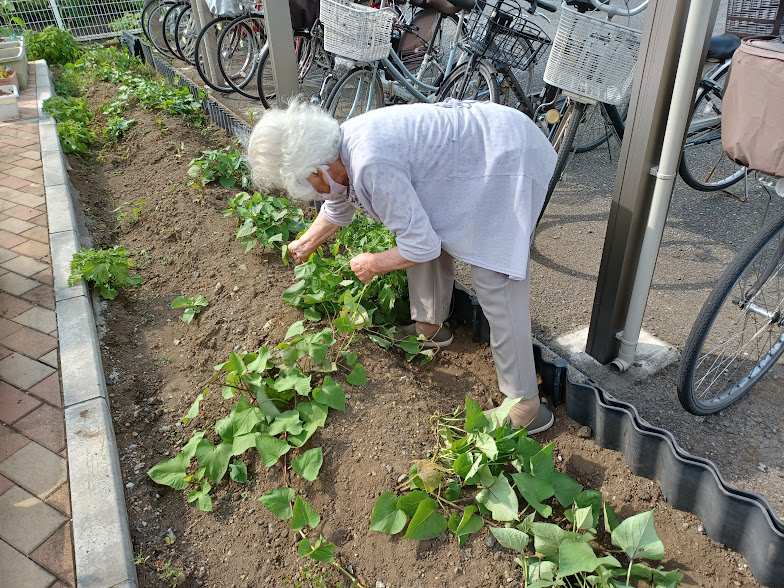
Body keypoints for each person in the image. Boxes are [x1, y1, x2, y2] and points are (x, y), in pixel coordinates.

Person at [246, 97, 557, 433]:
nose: (315, 193)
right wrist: (305, 244)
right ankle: (430, 329)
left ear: (318, 168)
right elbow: (339, 206)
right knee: (422, 226)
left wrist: (374, 263)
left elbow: (420, 245)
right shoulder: (337, 151)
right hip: (472, 152)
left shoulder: (369, 165)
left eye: (310, 184)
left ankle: (526, 406)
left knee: (494, 278)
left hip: (505, 155)